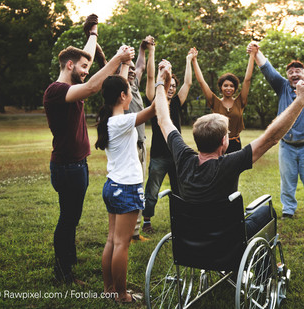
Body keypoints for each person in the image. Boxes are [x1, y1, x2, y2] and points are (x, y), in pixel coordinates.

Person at [154, 59, 304, 237]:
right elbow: (271, 137)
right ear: (224, 142)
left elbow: (163, 119)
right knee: (267, 212)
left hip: (192, 237)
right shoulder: (230, 164)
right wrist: (301, 100)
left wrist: (161, 81)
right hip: (228, 238)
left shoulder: (183, 158)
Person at [43, 19, 134, 285]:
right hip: (67, 167)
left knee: (72, 216)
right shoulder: (57, 90)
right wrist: (118, 58)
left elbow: (88, 60)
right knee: (68, 218)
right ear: (69, 65)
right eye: (82, 67)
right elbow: (94, 85)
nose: (87, 71)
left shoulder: (70, 86)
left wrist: (93, 34)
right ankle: (63, 272)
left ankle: (67, 260)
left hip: (77, 165)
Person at [250, 35, 304, 219]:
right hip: (287, 146)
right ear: (287, 75)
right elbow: (267, 69)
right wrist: (257, 52)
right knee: (287, 181)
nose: (294, 74)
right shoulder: (282, 87)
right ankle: (288, 211)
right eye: (291, 72)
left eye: (298, 71)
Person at [95, 67, 158, 303]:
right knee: (122, 243)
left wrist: (124, 63)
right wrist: (162, 81)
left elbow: (121, 90)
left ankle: (110, 289)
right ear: (122, 96)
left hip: (113, 186)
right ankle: (121, 295)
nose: (131, 93)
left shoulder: (109, 119)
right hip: (126, 188)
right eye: (128, 90)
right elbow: (153, 109)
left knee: (113, 240)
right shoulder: (122, 121)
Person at [142, 48, 194, 233]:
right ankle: (147, 221)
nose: (171, 88)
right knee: (152, 190)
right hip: (158, 156)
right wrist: (158, 70)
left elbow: (188, 82)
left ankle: (179, 221)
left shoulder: (178, 103)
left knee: (179, 190)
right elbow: (150, 80)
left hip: (177, 155)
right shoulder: (155, 102)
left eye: (173, 86)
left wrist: (189, 60)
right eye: (168, 85)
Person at [191, 46, 256, 153]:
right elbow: (202, 82)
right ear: (221, 87)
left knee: (235, 169)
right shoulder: (214, 102)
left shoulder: (240, 102)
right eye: (225, 85)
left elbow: (247, 80)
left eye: (231, 86)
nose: (229, 88)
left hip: (235, 143)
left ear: (235, 88)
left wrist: (252, 56)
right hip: (217, 143)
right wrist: (194, 60)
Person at [126, 36, 156, 242]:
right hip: (130, 146)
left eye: (131, 71)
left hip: (141, 142)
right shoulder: (120, 89)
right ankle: (130, 232)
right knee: (132, 186)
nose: (132, 72)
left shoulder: (134, 84)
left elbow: (140, 67)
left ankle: (135, 231)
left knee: (139, 185)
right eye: (127, 70)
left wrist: (142, 48)